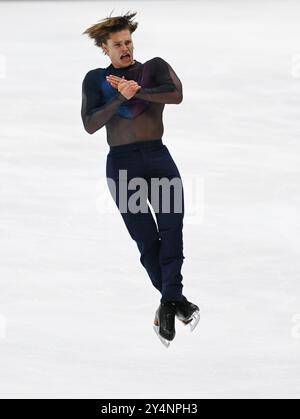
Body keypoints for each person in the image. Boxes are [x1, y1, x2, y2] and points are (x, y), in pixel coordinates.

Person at [81, 11, 199, 347]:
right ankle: (174, 301)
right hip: (122, 166)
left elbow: (175, 95)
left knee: (171, 230)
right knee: (146, 239)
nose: (125, 48)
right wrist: (120, 96)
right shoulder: (95, 79)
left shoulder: (154, 68)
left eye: (128, 41)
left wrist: (138, 92)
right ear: (105, 48)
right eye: (117, 44)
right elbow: (90, 124)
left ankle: (169, 303)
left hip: (158, 158)